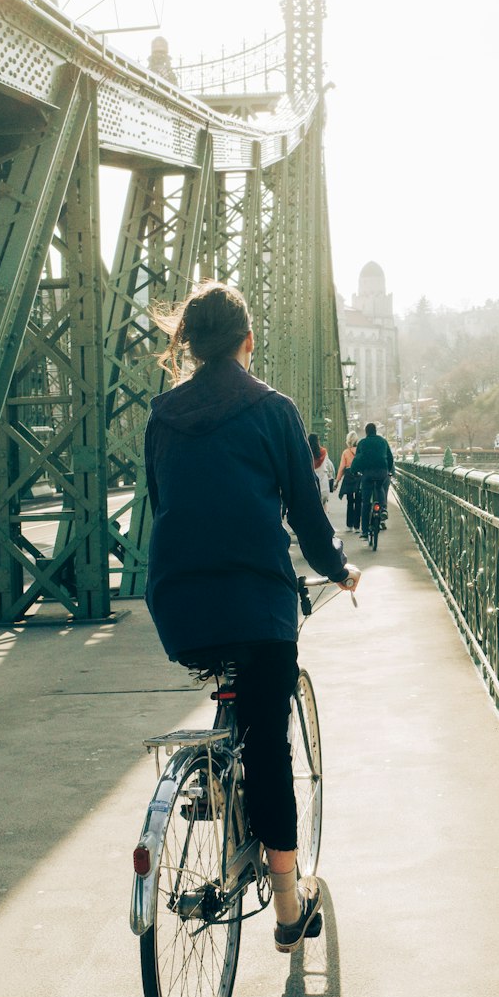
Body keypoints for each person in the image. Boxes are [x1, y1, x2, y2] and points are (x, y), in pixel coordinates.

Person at [144, 281, 359, 953]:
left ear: (190, 343)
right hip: (258, 603)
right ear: (248, 340)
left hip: (178, 604)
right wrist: (338, 569)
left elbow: (164, 503)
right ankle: (291, 909)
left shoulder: (161, 414)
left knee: (235, 696)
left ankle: (213, 780)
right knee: (269, 747)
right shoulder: (273, 410)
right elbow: (304, 509)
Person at [352, 421, 395, 540]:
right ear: (376, 431)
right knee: (380, 488)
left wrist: (354, 471)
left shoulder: (362, 443)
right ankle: (384, 509)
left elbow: (358, 459)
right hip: (382, 472)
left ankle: (365, 531)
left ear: (366, 432)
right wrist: (389, 471)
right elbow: (390, 457)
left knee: (366, 502)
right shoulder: (383, 441)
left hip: (367, 473)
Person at [336, 432, 361, 531]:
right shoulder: (360, 451)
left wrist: (337, 481)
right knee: (358, 501)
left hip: (349, 477)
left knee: (350, 501)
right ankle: (357, 526)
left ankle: (349, 525)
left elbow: (342, 467)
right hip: (359, 476)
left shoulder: (346, 452)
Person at [307, 431, 335, 508]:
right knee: (323, 506)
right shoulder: (324, 452)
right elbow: (329, 467)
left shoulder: (306, 453)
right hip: (323, 484)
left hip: (310, 485)